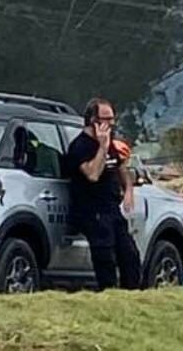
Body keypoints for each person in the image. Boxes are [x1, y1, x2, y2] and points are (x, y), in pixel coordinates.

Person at [66, 97, 142, 290]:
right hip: (91, 210)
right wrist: (101, 146)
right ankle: (107, 292)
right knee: (105, 255)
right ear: (93, 119)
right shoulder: (80, 146)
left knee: (129, 254)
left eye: (112, 119)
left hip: (111, 208)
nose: (111, 124)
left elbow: (120, 167)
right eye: (106, 119)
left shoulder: (110, 145)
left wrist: (128, 190)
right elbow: (92, 174)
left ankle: (131, 294)